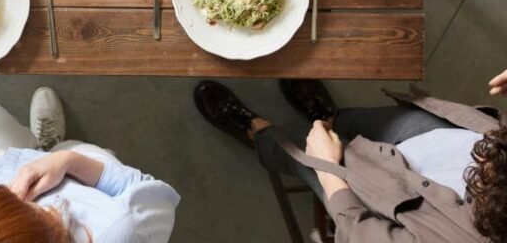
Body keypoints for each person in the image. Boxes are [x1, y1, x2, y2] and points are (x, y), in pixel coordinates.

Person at [194, 74, 507, 242]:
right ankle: (329, 117)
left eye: (485, 170)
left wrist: (328, 170)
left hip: (387, 195)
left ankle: (255, 132)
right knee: (363, 121)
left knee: (296, 151)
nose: (482, 155)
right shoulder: (493, 150)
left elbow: (358, 232)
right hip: (436, 135)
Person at [0, 86, 179, 242]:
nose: (15, 193)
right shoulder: (123, 229)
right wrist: (70, 161)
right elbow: (157, 199)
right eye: (24, 209)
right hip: (85, 180)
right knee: (84, 151)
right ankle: (56, 144)